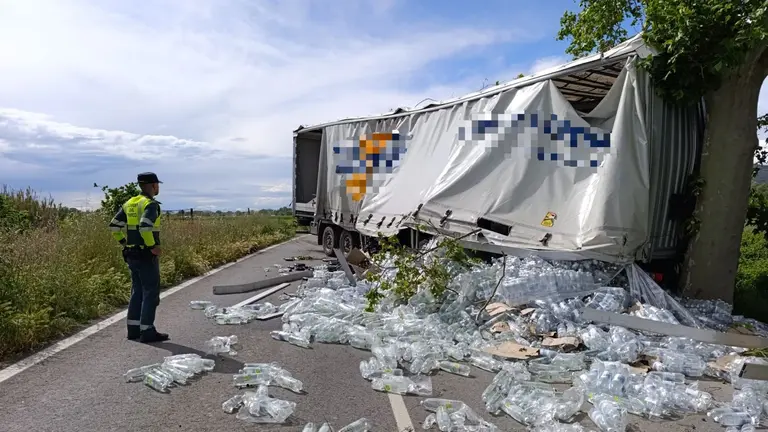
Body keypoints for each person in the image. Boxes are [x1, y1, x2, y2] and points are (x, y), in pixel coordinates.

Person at [108, 172, 170, 343]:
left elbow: (114, 226)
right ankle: (147, 331)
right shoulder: (150, 204)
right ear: (154, 185)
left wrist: (124, 243)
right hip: (145, 255)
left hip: (131, 254)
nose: (158, 188)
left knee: (137, 291)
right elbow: (144, 227)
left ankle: (133, 330)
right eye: (157, 185)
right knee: (150, 293)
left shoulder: (129, 203)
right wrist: (152, 246)